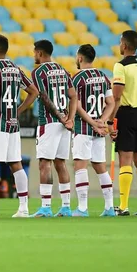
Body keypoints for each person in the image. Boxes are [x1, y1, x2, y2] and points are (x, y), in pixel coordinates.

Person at [0, 35, 38, 218]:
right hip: (13, 124)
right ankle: (23, 208)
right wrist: (18, 110)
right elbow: (33, 91)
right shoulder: (16, 70)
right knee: (16, 164)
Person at [31, 39, 78, 218]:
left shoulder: (38, 72)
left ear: (41, 53)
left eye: (35, 52)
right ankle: (66, 207)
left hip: (49, 123)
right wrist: (70, 119)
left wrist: (60, 117)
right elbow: (73, 96)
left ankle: (45, 207)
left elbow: (43, 96)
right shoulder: (63, 70)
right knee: (61, 163)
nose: (34, 55)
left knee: (45, 163)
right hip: (64, 124)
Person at [71, 44, 116, 217]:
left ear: (80, 58)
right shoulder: (103, 77)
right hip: (99, 129)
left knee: (80, 166)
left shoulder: (77, 79)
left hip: (83, 128)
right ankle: (109, 207)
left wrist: (92, 122)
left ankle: (82, 208)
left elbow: (78, 105)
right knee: (100, 167)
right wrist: (102, 121)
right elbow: (111, 102)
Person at [110, 30, 137, 216]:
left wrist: (110, 121)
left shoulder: (120, 66)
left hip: (127, 113)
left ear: (124, 45)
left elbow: (116, 96)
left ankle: (123, 206)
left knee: (126, 159)